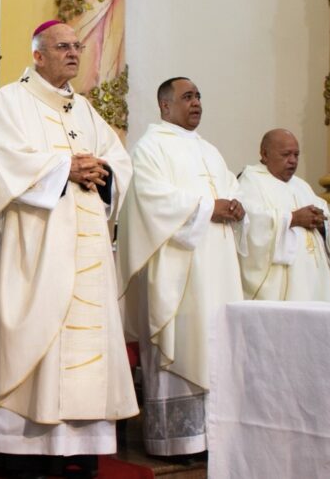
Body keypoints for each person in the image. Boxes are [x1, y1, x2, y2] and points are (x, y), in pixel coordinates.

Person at [0, 20, 136, 478]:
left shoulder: (84, 109)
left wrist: (102, 171)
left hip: (86, 248)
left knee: (84, 342)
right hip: (34, 247)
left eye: (77, 46)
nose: (73, 53)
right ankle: (21, 451)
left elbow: (118, 159)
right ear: (37, 55)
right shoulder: (11, 101)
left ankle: (78, 447)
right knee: (36, 340)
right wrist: (65, 168)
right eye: (62, 46)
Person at [117, 76, 245, 458]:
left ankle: (213, 436)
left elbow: (230, 190)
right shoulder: (149, 148)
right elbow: (150, 199)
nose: (196, 103)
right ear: (165, 106)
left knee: (215, 345)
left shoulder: (210, 150)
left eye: (199, 96)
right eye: (188, 96)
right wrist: (210, 207)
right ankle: (176, 441)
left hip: (217, 266)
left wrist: (237, 206)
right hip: (178, 269)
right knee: (182, 341)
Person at [236, 129, 330, 301]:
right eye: (286, 154)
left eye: (296, 155)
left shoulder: (302, 185)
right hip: (279, 282)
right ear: (265, 154)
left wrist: (322, 222)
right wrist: (293, 218)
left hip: (313, 277)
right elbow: (251, 222)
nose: (293, 161)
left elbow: (325, 215)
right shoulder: (251, 180)